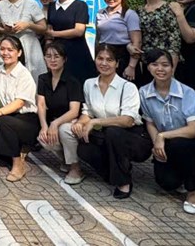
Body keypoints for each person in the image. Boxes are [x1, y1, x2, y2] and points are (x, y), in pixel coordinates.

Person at [61, 44, 151, 197]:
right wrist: (81, 123)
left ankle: (123, 181)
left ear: (117, 63)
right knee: (74, 137)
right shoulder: (89, 84)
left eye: (109, 60)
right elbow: (88, 112)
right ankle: (108, 170)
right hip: (105, 135)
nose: (104, 63)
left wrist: (95, 122)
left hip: (133, 138)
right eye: (100, 58)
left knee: (113, 132)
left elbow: (128, 120)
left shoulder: (127, 87)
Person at [140, 49, 195, 214]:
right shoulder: (144, 92)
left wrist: (162, 136)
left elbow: (194, 129)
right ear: (148, 67)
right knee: (167, 183)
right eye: (155, 64)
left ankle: (193, 192)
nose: (160, 69)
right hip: (167, 145)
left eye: (165, 65)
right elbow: (150, 122)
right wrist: (156, 143)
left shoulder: (187, 92)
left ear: (172, 67)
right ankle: (182, 173)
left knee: (179, 144)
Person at [0, 35, 40, 181]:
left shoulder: (24, 74)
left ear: (19, 52)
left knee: (2, 121)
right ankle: (19, 151)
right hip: (9, 118)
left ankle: (17, 164)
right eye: (2, 49)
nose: (5, 53)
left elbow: (19, 103)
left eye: (10, 50)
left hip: (27, 121)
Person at [36, 42, 84, 173]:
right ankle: (65, 159)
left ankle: (75, 166)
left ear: (64, 59)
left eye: (56, 56)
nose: (52, 60)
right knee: (43, 138)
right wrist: (44, 126)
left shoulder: (72, 81)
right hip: (54, 120)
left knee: (63, 130)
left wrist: (55, 123)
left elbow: (74, 111)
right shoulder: (43, 79)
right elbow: (41, 104)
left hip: (72, 121)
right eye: (48, 56)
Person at [0, 0, 47, 79]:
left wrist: (28, 25)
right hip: (9, 48)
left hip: (29, 47)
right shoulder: (0, 5)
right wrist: (5, 30)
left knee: (32, 78)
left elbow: (43, 28)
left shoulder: (31, 4)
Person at [46, 0, 96, 80]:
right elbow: (49, 28)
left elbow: (79, 31)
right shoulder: (51, 6)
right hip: (58, 54)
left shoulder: (80, 5)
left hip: (77, 52)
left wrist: (55, 34)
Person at [136, 0, 181, 85]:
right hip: (147, 62)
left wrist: (172, 69)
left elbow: (174, 40)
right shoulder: (139, 10)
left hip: (165, 62)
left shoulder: (169, 8)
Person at [95, 0, 141, 80]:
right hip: (105, 56)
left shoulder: (130, 14)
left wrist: (131, 66)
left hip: (124, 57)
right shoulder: (100, 13)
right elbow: (98, 39)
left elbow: (137, 43)